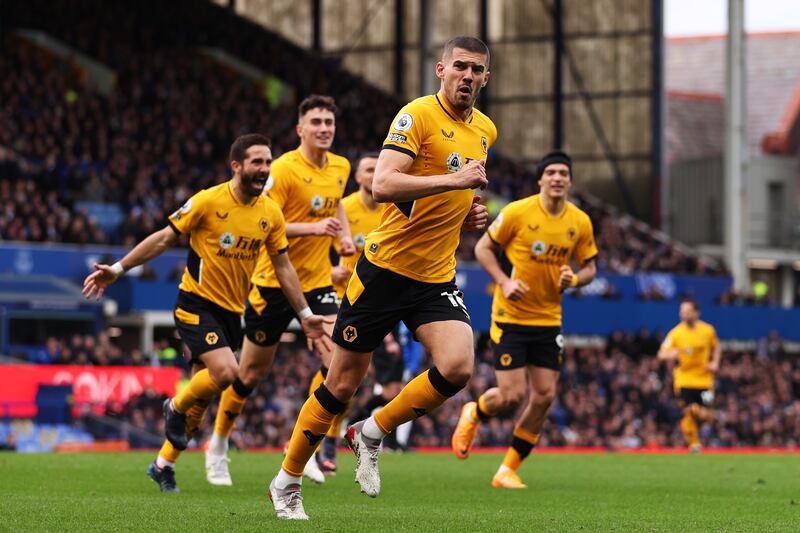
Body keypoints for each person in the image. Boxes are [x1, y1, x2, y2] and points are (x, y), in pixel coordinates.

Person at [268, 36, 495, 520]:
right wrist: (455, 183)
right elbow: (385, 184)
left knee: (458, 367)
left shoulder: (485, 130)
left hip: (435, 277)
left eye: (477, 70)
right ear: (441, 69)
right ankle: (286, 480)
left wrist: (469, 211)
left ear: (486, 78)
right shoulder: (416, 115)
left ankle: (371, 431)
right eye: (460, 67)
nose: (468, 77)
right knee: (341, 385)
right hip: (384, 272)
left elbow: (454, 194)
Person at [82, 133, 330, 492]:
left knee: (203, 398)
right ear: (236, 166)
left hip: (232, 311)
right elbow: (164, 238)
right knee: (228, 372)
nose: (264, 169)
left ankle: (162, 464)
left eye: (267, 162)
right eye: (257, 162)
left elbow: (284, 267)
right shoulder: (208, 201)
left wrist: (305, 313)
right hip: (195, 305)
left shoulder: (270, 213)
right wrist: (118, 270)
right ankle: (174, 405)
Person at [205, 96, 355, 487]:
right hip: (272, 284)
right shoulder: (284, 169)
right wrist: (315, 229)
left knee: (338, 365)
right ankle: (218, 445)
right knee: (249, 374)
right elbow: (265, 223)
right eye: (316, 122)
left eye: (329, 122)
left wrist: (345, 238)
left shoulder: (341, 166)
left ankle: (301, 449)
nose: (325, 128)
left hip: (319, 282)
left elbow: (335, 205)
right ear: (300, 129)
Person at [450, 150, 597, 488]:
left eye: (563, 173)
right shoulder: (518, 212)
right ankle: (475, 412)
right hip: (511, 316)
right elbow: (482, 248)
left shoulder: (579, 222)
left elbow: (590, 266)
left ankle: (507, 470)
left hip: (549, 319)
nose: (558, 178)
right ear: (540, 179)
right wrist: (504, 281)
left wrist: (575, 279)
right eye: (552, 173)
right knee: (512, 395)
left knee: (544, 396)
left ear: (570, 181)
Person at [657, 298, 721, 452]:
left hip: (705, 381)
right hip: (684, 380)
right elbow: (661, 354)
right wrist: (670, 354)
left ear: (696, 313)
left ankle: (700, 419)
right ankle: (694, 443)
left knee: (707, 415)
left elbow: (717, 347)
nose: (683, 314)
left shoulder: (708, 330)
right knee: (688, 411)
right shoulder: (676, 333)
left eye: (686, 311)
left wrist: (715, 363)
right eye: (681, 311)